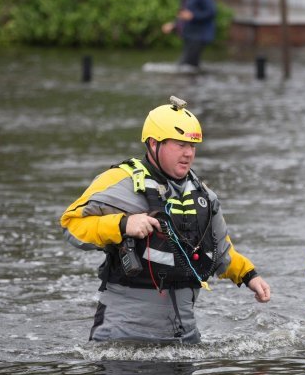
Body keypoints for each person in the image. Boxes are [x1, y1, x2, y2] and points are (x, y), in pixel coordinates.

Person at [61, 96, 270, 344]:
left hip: (184, 335)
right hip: (124, 335)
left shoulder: (204, 196)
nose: (188, 153)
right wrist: (122, 224)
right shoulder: (118, 182)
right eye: (180, 144)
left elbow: (221, 251)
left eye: (192, 146)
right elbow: (71, 226)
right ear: (153, 143)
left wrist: (249, 276)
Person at [161, 0, 216, 70]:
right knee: (192, 66)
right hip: (189, 36)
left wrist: (193, 16)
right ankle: (197, 84)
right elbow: (183, 16)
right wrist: (173, 25)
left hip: (199, 36)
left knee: (185, 65)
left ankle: (191, 84)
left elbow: (211, 12)